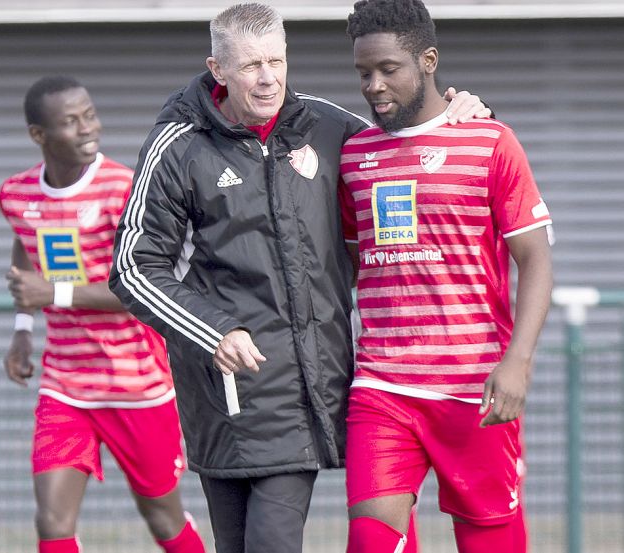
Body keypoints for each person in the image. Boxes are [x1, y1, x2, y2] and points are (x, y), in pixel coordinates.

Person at [107, 3, 490, 552]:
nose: (268, 79)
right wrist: (215, 333)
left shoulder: (328, 126)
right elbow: (133, 268)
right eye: (249, 67)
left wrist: (467, 108)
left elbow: (407, 146)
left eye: (277, 61)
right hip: (225, 389)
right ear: (218, 69)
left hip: (306, 388)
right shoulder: (178, 145)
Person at [339, 1, 554, 551]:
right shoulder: (354, 155)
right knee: (370, 540)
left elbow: (536, 261)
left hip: (474, 388)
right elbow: (343, 260)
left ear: (428, 60)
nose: (373, 85)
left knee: (490, 540)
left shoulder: (490, 143)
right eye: (364, 72)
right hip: (383, 386)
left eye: (389, 69)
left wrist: (517, 363)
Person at [0, 76, 206, 553]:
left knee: (162, 517)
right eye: (70, 122)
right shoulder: (16, 194)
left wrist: (53, 294)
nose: (88, 128)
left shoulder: (122, 189)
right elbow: (25, 242)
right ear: (39, 136)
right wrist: (22, 329)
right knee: (52, 521)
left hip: (138, 386)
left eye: (89, 114)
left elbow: (147, 286)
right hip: (65, 387)